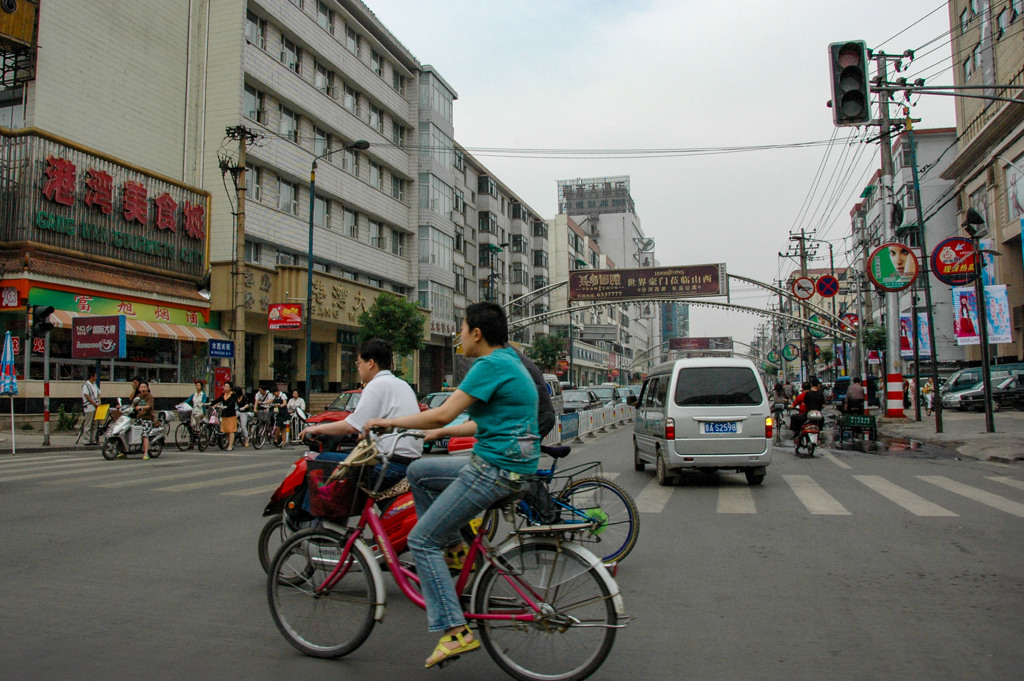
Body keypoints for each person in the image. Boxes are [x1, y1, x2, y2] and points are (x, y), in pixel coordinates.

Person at [363, 302, 540, 669]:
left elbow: (443, 410)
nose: (459, 334)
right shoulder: (510, 361)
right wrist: (443, 432)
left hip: (494, 469)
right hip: (511, 463)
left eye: (462, 327)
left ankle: (454, 630)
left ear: (477, 333)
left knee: (420, 540)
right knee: (420, 474)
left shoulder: (489, 365)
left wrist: (388, 423)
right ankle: (456, 550)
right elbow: (483, 424)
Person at [299, 338, 423, 489]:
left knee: (322, 460)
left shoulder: (376, 385)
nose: (358, 368)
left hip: (388, 465)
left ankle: (315, 513)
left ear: (370, 363)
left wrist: (315, 428)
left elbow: (350, 426)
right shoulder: (402, 385)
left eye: (358, 363)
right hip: (409, 462)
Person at [209, 380, 247, 451]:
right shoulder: (223, 395)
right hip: (224, 414)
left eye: (227, 386)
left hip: (231, 414)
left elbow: (232, 403)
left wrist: (226, 406)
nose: (225, 388)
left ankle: (230, 445)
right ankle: (228, 443)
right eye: (224, 386)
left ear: (230, 388)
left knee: (231, 430)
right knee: (226, 430)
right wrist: (210, 404)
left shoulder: (233, 395)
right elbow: (217, 400)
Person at [133, 380, 157, 460]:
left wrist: (141, 407)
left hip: (147, 419)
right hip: (139, 418)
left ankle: (146, 453)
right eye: (141, 387)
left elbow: (149, 406)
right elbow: (133, 405)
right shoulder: (138, 396)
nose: (143, 388)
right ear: (139, 388)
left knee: (144, 434)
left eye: (144, 387)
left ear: (147, 388)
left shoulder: (149, 396)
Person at [81, 370, 101, 445]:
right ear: (91, 377)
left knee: (95, 424)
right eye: (95, 376)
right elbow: (87, 396)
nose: (96, 377)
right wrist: (94, 404)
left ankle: (93, 440)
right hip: (89, 407)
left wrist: (98, 402)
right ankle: (87, 440)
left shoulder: (94, 385)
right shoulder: (86, 385)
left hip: (96, 407)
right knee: (88, 424)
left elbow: (99, 393)